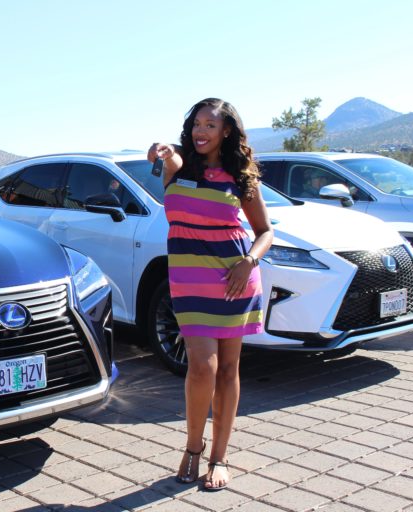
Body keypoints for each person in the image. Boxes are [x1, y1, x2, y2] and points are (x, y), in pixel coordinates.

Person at [148, 98, 274, 491]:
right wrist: (160, 150)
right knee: (202, 366)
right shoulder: (180, 166)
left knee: (228, 369)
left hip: (233, 277)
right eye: (197, 124)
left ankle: (219, 456)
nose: (201, 131)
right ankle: (193, 447)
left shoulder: (240, 176)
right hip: (189, 280)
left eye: (210, 125)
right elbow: (165, 156)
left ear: (226, 131)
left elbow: (265, 232)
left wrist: (249, 262)